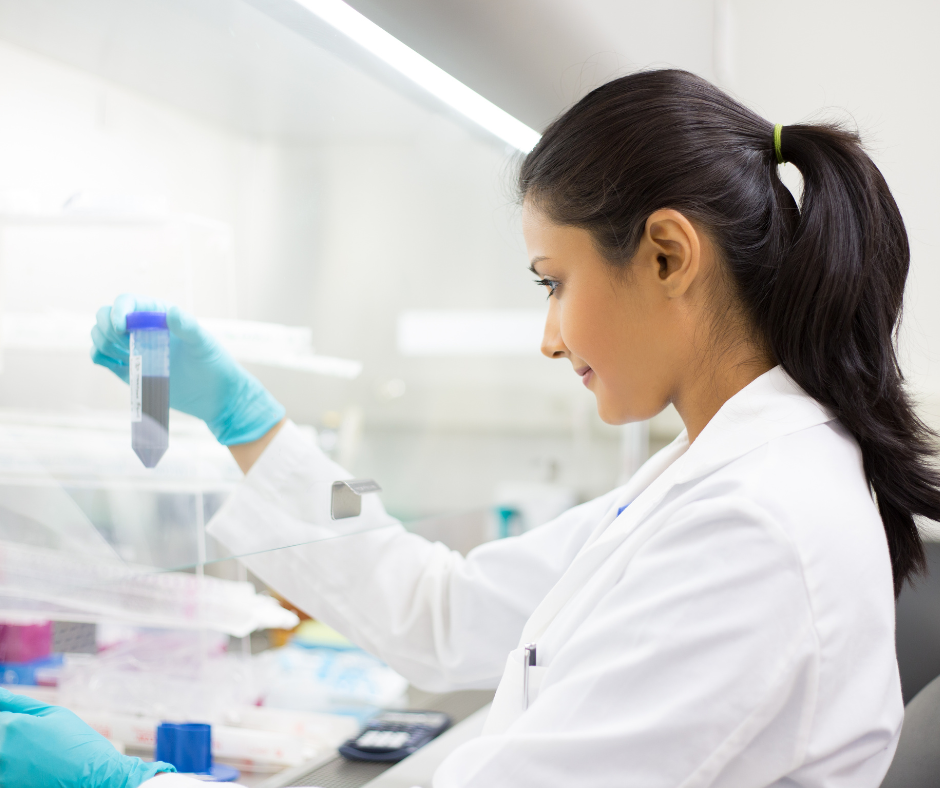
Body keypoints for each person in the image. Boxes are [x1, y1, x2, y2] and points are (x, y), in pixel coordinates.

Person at [3, 69, 938, 787]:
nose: (547, 335)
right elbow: (442, 608)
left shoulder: (754, 526)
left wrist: (135, 779)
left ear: (666, 254)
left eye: (553, 282)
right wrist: (253, 425)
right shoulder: (719, 474)